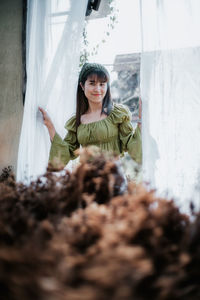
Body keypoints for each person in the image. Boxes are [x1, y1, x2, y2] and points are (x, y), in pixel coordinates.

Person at [39, 63, 142, 168]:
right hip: (87, 180)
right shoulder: (77, 121)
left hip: (113, 179)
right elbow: (66, 153)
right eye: (92, 83)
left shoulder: (117, 114)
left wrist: (141, 124)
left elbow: (133, 147)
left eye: (102, 84)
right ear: (82, 86)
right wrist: (50, 126)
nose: (97, 89)